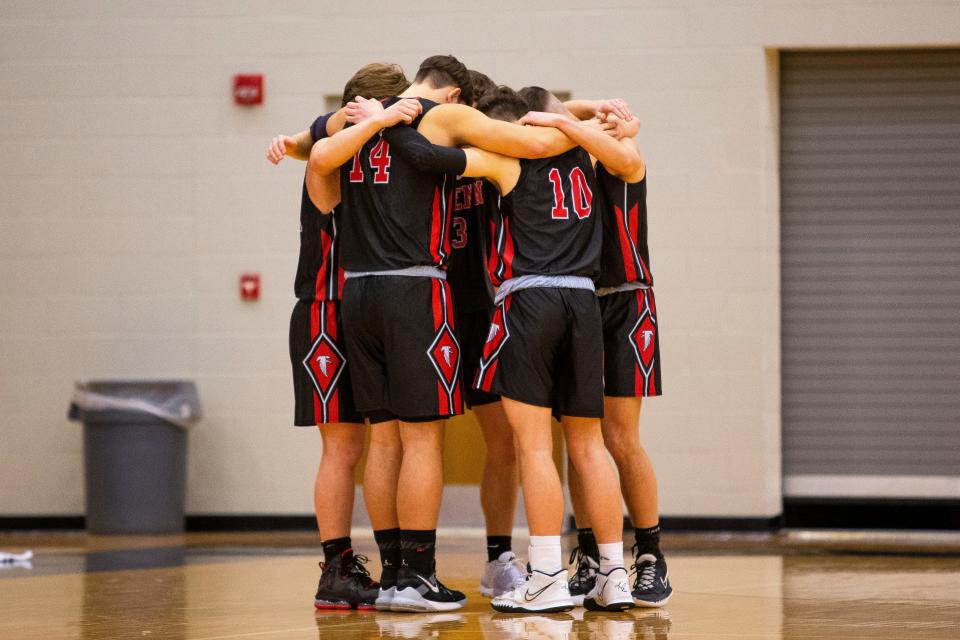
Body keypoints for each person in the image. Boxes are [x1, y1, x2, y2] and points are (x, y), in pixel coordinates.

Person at [265, 64, 411, 610]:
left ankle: (395, 560)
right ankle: (335, 567)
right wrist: (339, 127)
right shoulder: (330, 158)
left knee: (381, 440)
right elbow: (321, 141)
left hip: (366, 310)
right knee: (343, 447)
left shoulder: (383, 159)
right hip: (326, 310)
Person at [520, 100, 672, 608]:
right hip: (579, 299)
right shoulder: (563, 157)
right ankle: (590, 553)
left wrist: (571, 121)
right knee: (578, 434)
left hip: (627, 300)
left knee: (620, 436)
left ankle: (649, 554)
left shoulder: (618, 151)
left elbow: (623, 155)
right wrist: (575, 116)